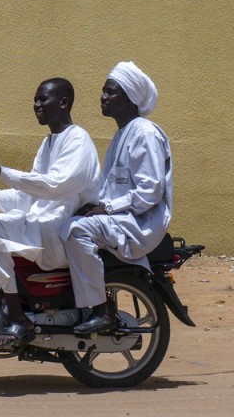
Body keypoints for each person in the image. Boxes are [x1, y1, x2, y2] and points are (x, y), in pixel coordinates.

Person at [0, 78, 101, 345]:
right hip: (41, 224)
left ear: (63, 102)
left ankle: (16, 316)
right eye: (35, 100)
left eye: (42, 99)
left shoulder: (78, 140)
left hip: (61, 231)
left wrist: (2, 171)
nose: (36, 105)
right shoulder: (48, 144)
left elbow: (54, 187)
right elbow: (27, 196)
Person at [62, 61, 172, 335]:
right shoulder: (123, 134)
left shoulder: (144, 133)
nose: (103, 97)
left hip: (138, 224)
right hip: (120, 219)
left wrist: (106, 206)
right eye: (104, 91)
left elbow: (151, 191)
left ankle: (101, 310)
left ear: (129, 98)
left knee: (76, 230)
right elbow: (111, 190)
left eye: (110, 92)